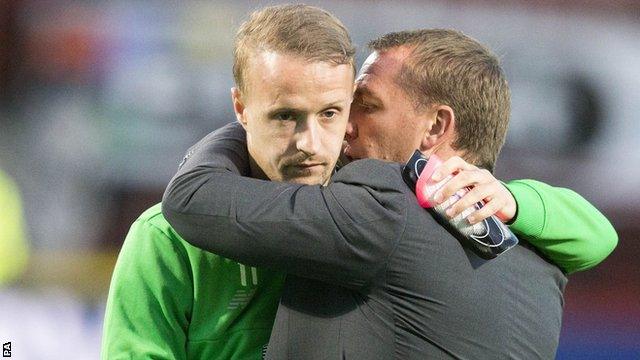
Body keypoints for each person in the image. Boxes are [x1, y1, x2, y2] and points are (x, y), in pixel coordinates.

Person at [103, 5, 616, 359]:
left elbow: (193, 200)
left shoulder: (369, 211)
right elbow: (599, 235)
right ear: (243, 105)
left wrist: (230, 137)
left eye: (344, 110)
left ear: (436, 126)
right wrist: (523, 201)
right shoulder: (541, 262)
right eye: (284, 115)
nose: (327, 135)